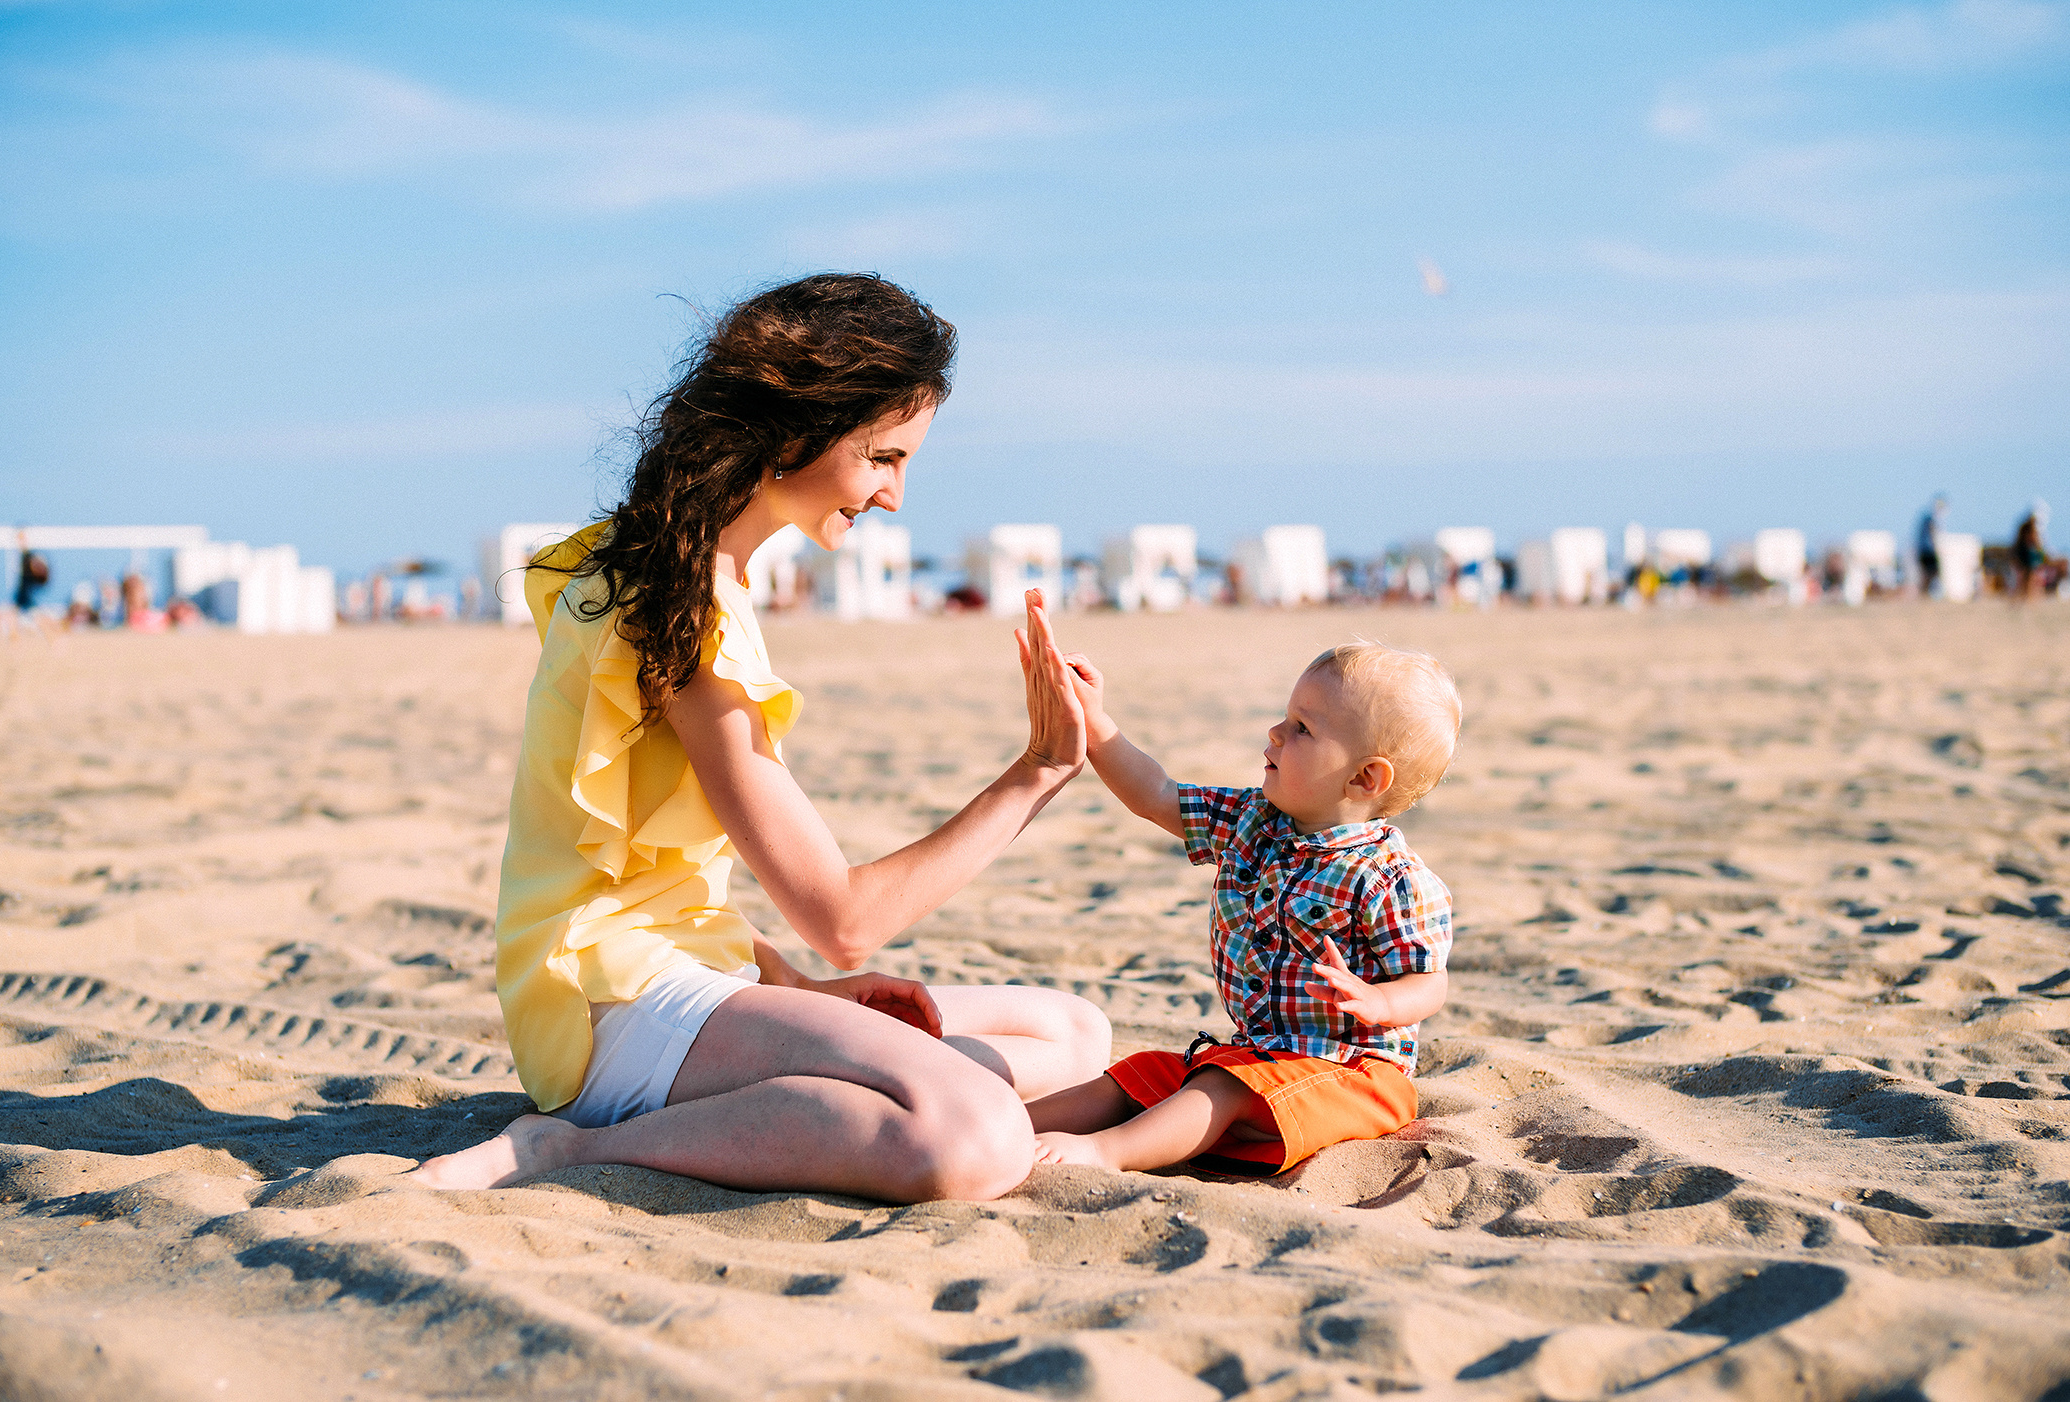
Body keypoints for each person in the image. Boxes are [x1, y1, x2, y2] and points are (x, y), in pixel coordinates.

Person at [407, 274, 1109, 1203]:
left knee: (1074, 1036)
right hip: (608, 1006)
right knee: (973, 1139)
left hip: (689, 964)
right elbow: (845, 921)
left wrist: (796, 993)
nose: (895, 494)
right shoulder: (685, 610)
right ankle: (565, 1151)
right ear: (796, 430)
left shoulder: (660, 557)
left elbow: (668, 873)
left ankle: (810, 1087)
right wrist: (1039, 770)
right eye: (882, 457)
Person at [1029, 638, 1458, 1175]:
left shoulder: (1391, 878)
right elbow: (1156, 794)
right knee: (1140, 1075)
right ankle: (1008, 1122)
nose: (1276, 733)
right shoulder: (1250, 822)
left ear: (1364, 778)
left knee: (1219, 1087)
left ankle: (1102, 1153)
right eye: (1286, 717)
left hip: (1356, 1076)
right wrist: (1094, 721)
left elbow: (1429, 982)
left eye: (1303, 728)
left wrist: (1378, 1002)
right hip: (1259, 1056)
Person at [2013, 500, 2050, 602]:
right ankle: (2025, 599)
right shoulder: (2028, 529)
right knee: (2026, 579)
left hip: (2029, 556)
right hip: (2027, 556)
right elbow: (2036, 543)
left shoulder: (2029, 528)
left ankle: (2028, 600)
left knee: (2031, 579)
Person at [1916, 495, 1947, 598]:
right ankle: (1925, 594)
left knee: (1928, 574)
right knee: (1932, 573)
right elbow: (1933, 533)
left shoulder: (1928, 517)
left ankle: (1925, 594)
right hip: (1928, 550)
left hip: (1924, 549)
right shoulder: (1931, 518)